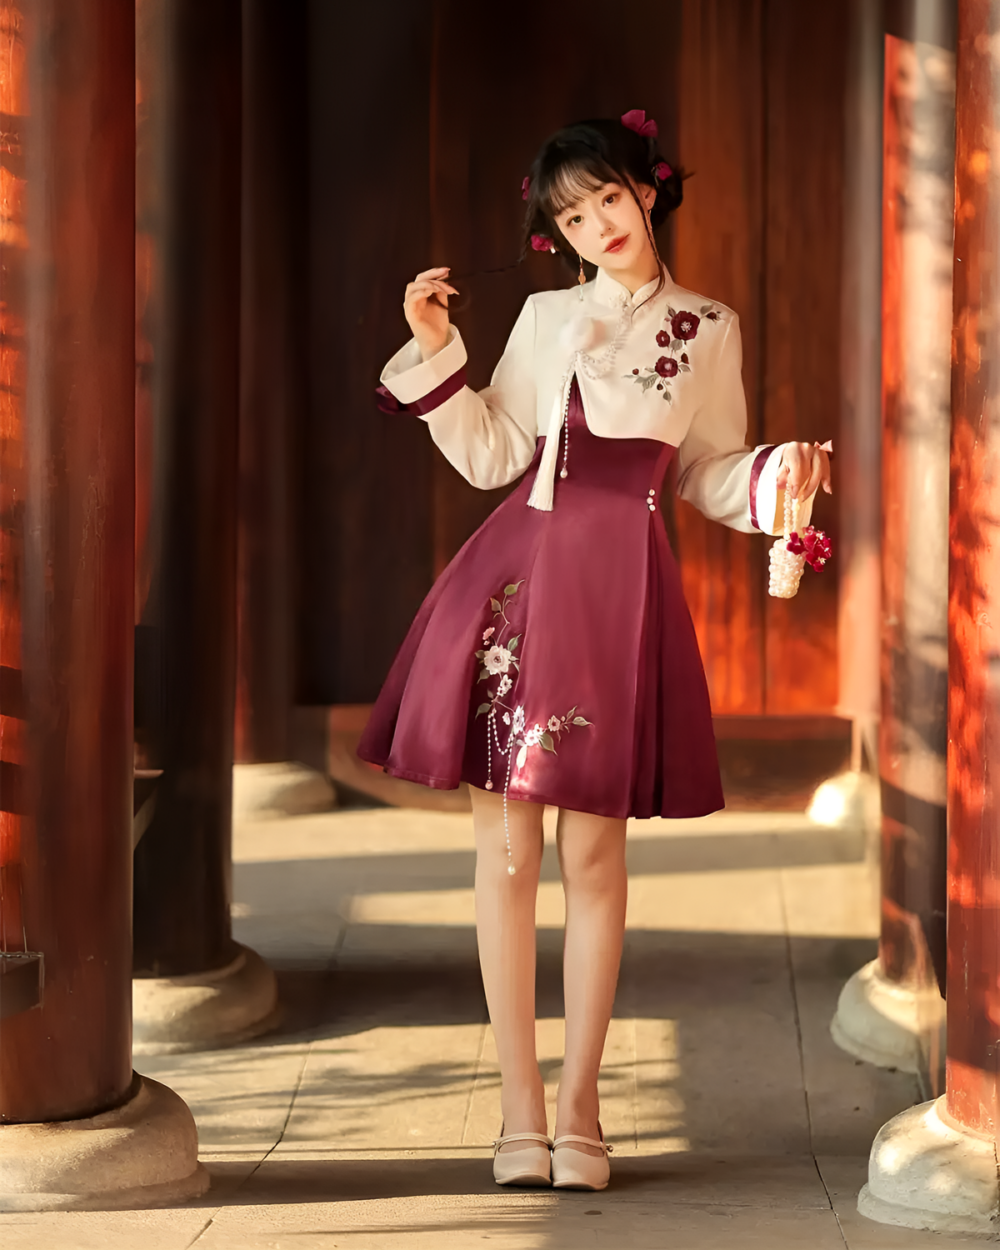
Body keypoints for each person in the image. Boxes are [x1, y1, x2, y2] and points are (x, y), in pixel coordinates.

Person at [359, 110, 832, 1192]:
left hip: (621, 591)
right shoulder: (543, 316)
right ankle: (519, 1111)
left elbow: (707, 470)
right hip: (516, 589)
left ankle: (581, 1111)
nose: (597, 226)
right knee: (507, 858)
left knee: (594, 858)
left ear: (647, 192)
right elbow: (493, 455)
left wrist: (776, 475)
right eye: (571, 217)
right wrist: (434, 349)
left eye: (608, 199)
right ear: (556, 234)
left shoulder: (709, 326)